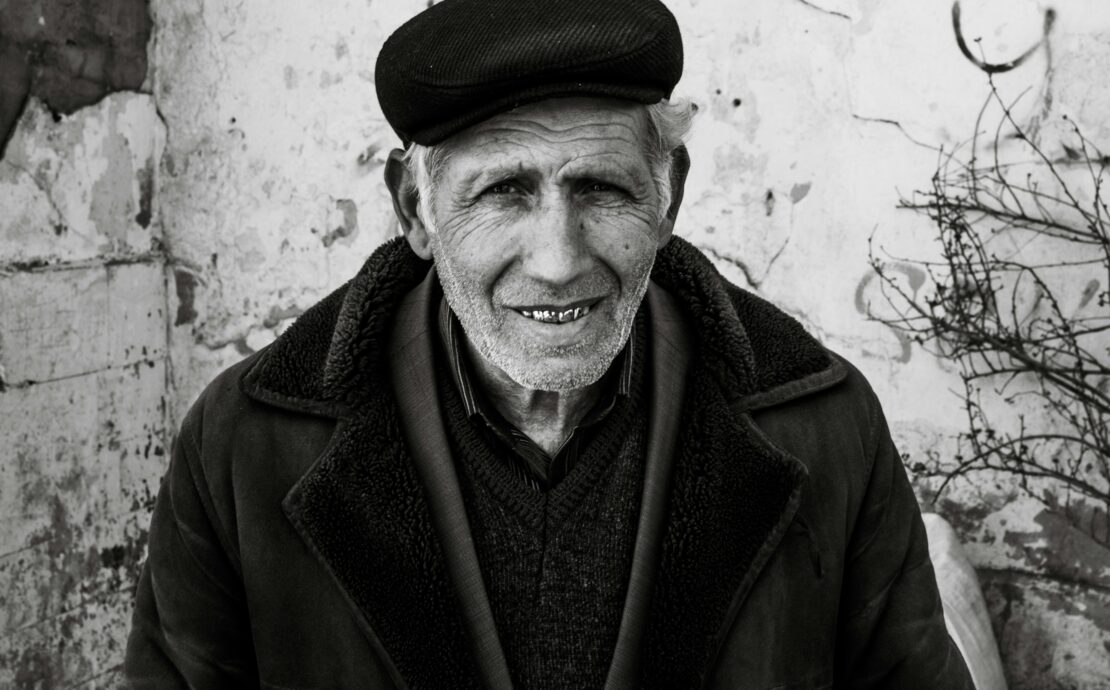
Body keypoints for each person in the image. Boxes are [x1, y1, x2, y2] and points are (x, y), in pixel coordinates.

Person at [124, 0, 975, 687]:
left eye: (601, 188)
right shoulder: (244, 447)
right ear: (415, 210)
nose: (560, 262)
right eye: (503, 192)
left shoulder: (824, 427)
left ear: (669, 194)